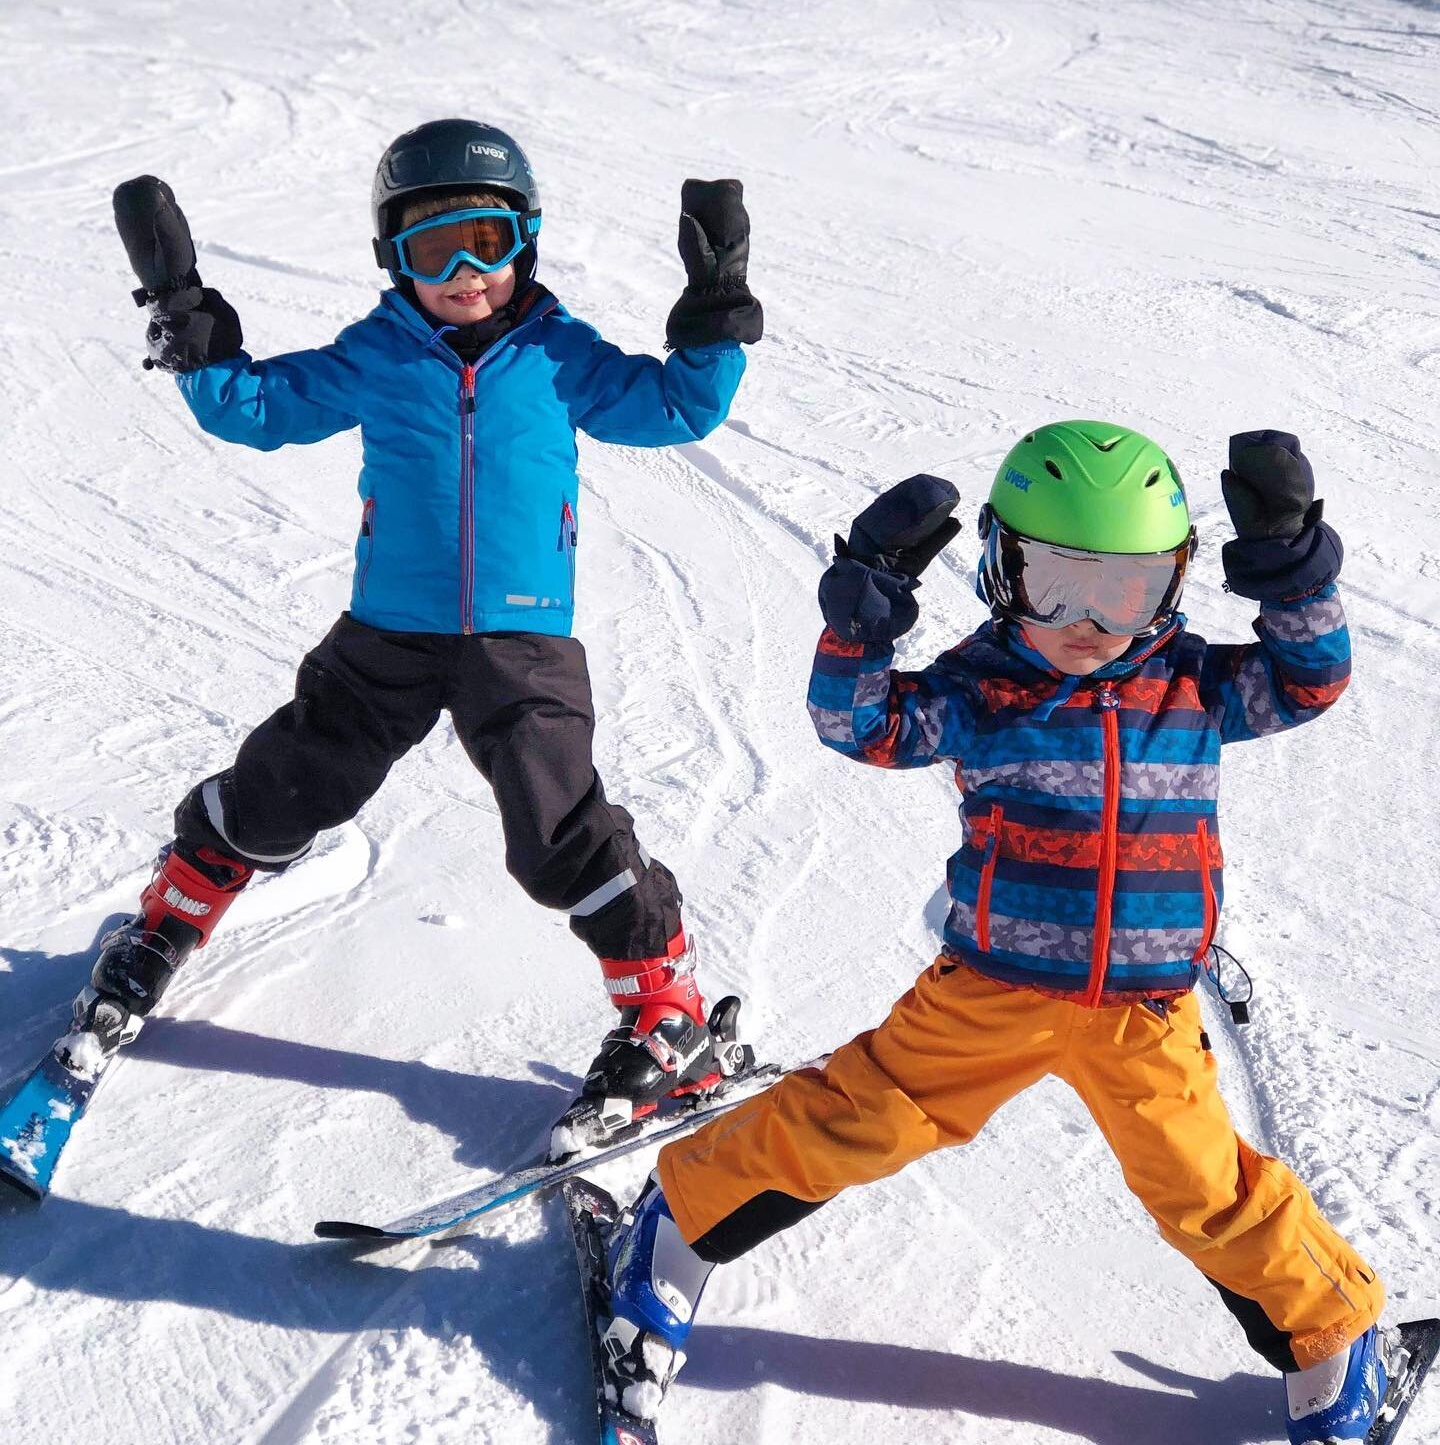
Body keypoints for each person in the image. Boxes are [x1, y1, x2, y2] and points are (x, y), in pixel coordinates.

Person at [600, 422, 1402, 1445]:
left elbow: (1312, 679)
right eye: (1054, 581)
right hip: (989, 993)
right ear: (995, 563)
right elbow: (862, 726)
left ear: (1176, 586)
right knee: (860, 1119)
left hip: (1142, 1016)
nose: (1088, 622)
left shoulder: (1194, 686)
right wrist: (862, 617)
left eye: (1128, 592)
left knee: (1205, 1187)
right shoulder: (981, 689)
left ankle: (1336, 1335)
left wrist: (1292, 573)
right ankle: (671, 1231)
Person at [86, 121, 764, 1153]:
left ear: (525, 243)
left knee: (558, 834)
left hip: (520, 644)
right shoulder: (378, 353)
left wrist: (714, 319)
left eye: (485, 242)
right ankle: (176, 906)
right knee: (286, 787)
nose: (463, 274)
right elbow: (258, 408)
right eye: (430, 248)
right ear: (391, 258)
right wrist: (189, 322)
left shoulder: (558, 353)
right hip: (387, 636)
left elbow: (673, 409)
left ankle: (666, 1007)